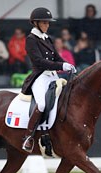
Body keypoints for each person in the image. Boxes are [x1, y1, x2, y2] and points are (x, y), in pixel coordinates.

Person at [21, 7, 76, 153]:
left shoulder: (47, 38)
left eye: (48, 22)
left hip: (53, 76)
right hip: (39, 76)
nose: (48, 25)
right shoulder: (31, 39)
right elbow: (39, 61)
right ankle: (28, 137)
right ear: (36, 23)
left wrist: (67, 65)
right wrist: (61, 65)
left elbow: (56, 57)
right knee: (42, 104)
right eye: (45, 22)